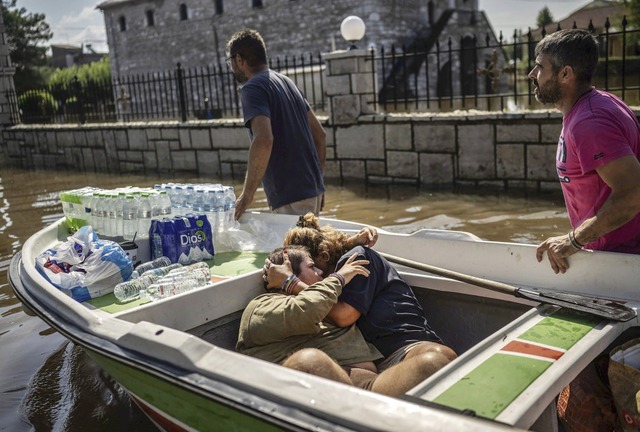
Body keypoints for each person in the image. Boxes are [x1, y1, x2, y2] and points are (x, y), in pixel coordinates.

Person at [237, 246, 451, 396]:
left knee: (435, 362)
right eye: (312, 267)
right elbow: (306, 309)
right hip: (338, 394)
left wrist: (349, 245)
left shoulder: (326, 305)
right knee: (309, 361)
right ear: (290, 274)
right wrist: (338, 278)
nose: (321, 272)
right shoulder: (262, 306)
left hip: (371, 386)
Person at [267, 213, 456, 373]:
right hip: (381, 356)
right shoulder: (334, 273)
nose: (317, 274)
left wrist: (293, 283)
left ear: (323, 256)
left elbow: (344, 316)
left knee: (438, 359)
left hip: (405, 345)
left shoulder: (355, 260)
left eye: (313, 266)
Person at [528, 29, 640, 274]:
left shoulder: (590, 122)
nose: (532, 74)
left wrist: (572, 241)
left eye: (539, 67)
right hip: (610, 257)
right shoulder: (597, 105)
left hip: (620, 265)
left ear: (565, 73)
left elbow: (633, 192)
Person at [225, 29, 326, 219]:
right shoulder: (287, 82)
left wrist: (246, 196)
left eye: (230, 61)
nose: (231, 66)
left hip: (291, 195)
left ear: (239, 59)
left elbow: (263, 140)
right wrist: (318, 183)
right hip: (313, 191)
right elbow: (320, 135)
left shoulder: (252, 88)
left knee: (295, 249)